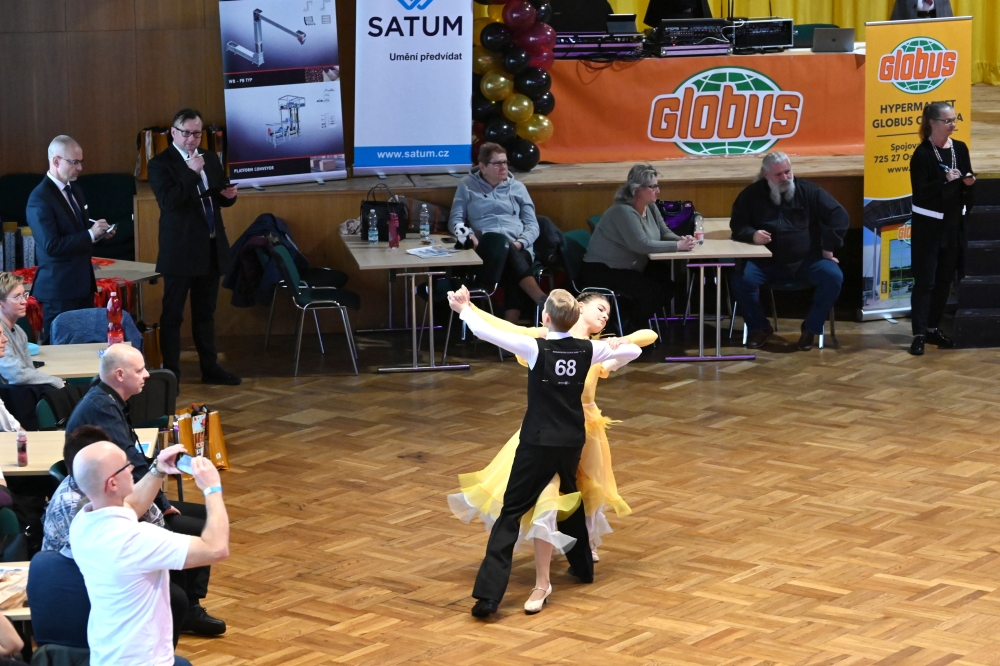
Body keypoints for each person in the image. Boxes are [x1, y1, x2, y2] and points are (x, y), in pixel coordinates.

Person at [448, 292, 656, 613]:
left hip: (537, 443)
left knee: (512, 513)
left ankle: (489, 595)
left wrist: (464, 310)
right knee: (570, 499)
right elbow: (633, 350)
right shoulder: (589, 349)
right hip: (572, 442)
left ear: (546, 319)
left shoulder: (535, 347)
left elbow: (485, 333)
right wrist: (616, 344)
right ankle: (583, 567)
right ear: (575, 318)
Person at [65, 344, 225, 636]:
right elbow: (132, 464)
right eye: (140, 370)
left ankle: (190, 602)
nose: (147, 375)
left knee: (200, 516)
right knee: (198, 526)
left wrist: (160, 487)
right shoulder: (102, 407)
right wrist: (207, 490)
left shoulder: (107, 399)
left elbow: (132, 469)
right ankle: (187, 607)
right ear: (120, 374)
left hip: (117, 497)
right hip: (113, 500)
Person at [70, 441, 229, 666]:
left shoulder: (82, 521)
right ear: (112, 483)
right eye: (125, 466)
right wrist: (212, 489)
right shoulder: (136, 540)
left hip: (107, 654)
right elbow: (216, 548)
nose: (132, 468)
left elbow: (132, 505)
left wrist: (158, 470)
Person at [40, 425, 190, 647]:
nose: (129, 467)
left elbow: (151, 517)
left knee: (171, 578)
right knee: (174, 597)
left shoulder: (107, 487)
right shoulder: (74, 505)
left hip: (109, 563)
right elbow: (98, 554)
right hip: (76, 577)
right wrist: (213, 490)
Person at [148, 108, 240, 386]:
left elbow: (216, 197)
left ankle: (210, 368)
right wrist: (190, 173)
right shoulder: (160, 164)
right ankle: (171, 375)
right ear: (173, 133)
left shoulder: (209, 157)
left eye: (197, 134)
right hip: (180, 251)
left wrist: (228, 196)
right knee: (173, 315)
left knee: (205, 314)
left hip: (210, 247)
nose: (191, 139)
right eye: (186, 133)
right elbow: (170, 202)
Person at [729, 152, 849, 350]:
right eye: (778, 175)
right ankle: (760, 327)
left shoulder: (809, 191)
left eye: (788, 172)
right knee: (741, 280)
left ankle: (811, 328)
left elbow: (839, 215)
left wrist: (828, 247)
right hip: (766, 262)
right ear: (765, 175)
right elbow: (737, 224)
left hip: (806, 261)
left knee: (833, 277)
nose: (785, 178)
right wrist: (753, 235)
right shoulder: (751, 195)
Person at [581, 164, 695, 332]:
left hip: (630, 267)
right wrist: (678, 246)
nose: (658, 191)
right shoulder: (623, 211)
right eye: (653, 187)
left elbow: (664, 232)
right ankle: (628, 328)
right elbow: (642, 245)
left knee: (667, 284)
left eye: (657, 186)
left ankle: (633, 322)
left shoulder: (650, 206)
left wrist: (682, 240)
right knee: (652, 292)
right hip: (603, 270)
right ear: (638, 190)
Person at [26, 135, 114, 343]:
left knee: (84, 346)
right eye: (74, 162)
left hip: (82, 285)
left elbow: (77, 233)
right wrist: (90, 234)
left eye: (81, 162)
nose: (80, 168)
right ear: (56, 161)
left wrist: (99, 235)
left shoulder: (75, 189)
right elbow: (52, 245)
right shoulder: (39, 198)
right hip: (59, 291)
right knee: (59, 349)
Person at [449, 142, 548, 323]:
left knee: (511, 258)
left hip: (519, 247)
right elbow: (455, 220)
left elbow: (532, 225)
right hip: (489, 250)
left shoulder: (517, 188)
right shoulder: (467, 186)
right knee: (508, 255)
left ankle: (511, 326)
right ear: (482, 167)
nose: (503, 167)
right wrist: (468, 234)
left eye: (505, 162)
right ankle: (540, 300)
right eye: (497, 163)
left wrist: (520, 243)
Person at [908, 102, 975, 356]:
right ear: (932, 123)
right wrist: (944, 181)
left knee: (944, 280)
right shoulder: (922, 154)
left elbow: (966, 178)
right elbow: (920, 192)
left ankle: (932, 328)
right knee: (926, 281)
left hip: (953, 226)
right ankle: (918, 334)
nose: (953, 124)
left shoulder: (960, 148)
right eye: (947, 121)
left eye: (954, 120)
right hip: (929, 228)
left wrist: (968, 182)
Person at [0, 273, 62, 389]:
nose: (24, 301)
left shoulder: (19, 331)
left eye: (24, 295)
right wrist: (56, 382)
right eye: (16, 297)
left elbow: (29, 370)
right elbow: (16, 375)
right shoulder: (1, 334)